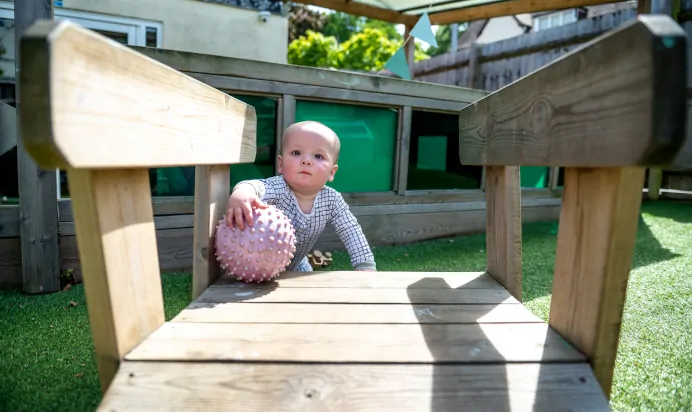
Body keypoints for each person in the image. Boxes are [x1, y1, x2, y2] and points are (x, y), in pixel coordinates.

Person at [225, 121, 377, 272]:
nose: (306, 161)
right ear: (280, 163)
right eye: (296, 153)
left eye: (318, 156)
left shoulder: (332, 199)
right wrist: (243, 192)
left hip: (297, 264)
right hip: (259, 265)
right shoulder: (279, 188)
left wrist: (365, 264)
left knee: (308, 288)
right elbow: (258, 186)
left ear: (332, 172)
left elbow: (350, 230)